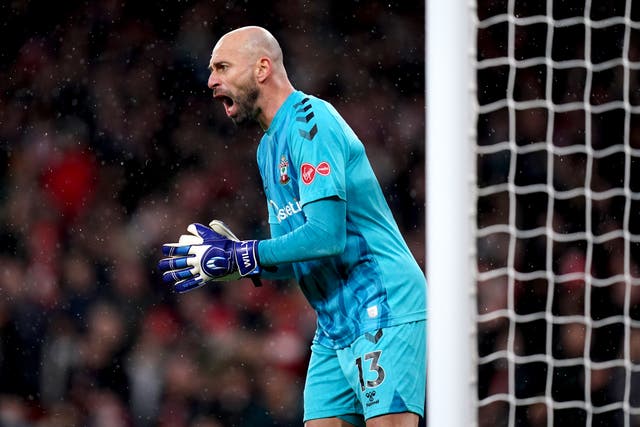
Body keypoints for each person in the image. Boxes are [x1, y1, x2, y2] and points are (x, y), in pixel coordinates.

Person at [158, 26, 427, 427]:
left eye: (223, 67)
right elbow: (291, 254)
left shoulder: (310, 123)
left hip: (382, 302)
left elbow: (326, 236)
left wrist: (246, 253)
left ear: (262, 68)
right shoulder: (268, 148)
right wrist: (237, 262)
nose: (211, 80)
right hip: (333, 320)